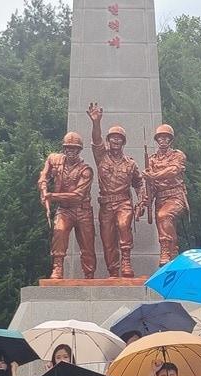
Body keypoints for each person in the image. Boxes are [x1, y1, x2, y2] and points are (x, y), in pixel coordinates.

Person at [87, 102, 144, 278]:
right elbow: (96, 140)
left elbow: (139, 183)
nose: (116, 140)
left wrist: (141, 200)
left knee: (123, 225)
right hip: (106, 204)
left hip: (123, 202)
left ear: (123, 142)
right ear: (108, 140)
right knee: (108, 241)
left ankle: (126, 263)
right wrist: (96, 122)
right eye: (113, 137)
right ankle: (113, 270)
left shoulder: (131, 163)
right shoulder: (101, 157)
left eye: (119, 138)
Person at [38, 131, 98, 279]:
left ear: (79, 150)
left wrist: (52, 196)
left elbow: (78, 195)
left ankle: (89, 273)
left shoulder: (86, 170)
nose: (71, 151)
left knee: (87, 245)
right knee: (59, 231)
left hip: (82, 211)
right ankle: (57, 267)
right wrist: (43, 186)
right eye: (68, 148)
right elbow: (43, 175)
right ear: (64, 149)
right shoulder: (54, 160)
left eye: (74, 148)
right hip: (64, 210)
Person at [141, 123, 188, 264]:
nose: (163, 140)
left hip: (175, 196)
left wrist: (153, 176)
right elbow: (150, 186)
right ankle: (174, 254)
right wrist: (144, 201)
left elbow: (173, 170)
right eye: (160, 138)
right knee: (163, 225)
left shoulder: (177, 155)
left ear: (170, 140)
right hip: (160, 199)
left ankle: (166, 251)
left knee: (164, 216)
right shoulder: (152, 160)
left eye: (166, 138)